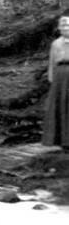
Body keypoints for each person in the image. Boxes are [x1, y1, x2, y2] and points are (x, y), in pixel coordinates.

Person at [42, 14, 69, 150]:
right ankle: (62, 141)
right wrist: (51, 78)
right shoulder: (56, 43)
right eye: (63, 25)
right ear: (59, 28)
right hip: (60, 75)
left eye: (68, 25)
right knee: (60, 104)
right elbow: (52, 62)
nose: (66, 28)